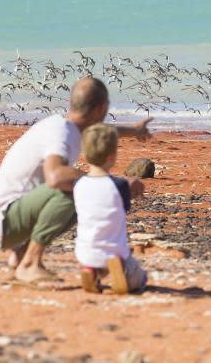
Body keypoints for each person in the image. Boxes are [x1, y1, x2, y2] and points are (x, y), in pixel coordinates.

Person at [0, 76, 152, 282]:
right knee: (74, 188)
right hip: (4, 222)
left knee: (80, 185)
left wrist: (135, 131)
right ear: (101, 109)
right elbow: (55, 177)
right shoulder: (61, 133)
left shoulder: (67, 127)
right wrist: (112, 184)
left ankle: (20, 255)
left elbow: (100, 133)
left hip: (6, 218)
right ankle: (30, 263)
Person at [74, 123, 147, 293]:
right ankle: (120, 270)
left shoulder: (79, 184)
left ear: (85, 154)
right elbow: (123, 208)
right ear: (112, 157)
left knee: (94, 254)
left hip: (85, 252)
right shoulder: (119, 185)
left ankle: (90, 271)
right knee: (140, 275)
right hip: (114, 252)